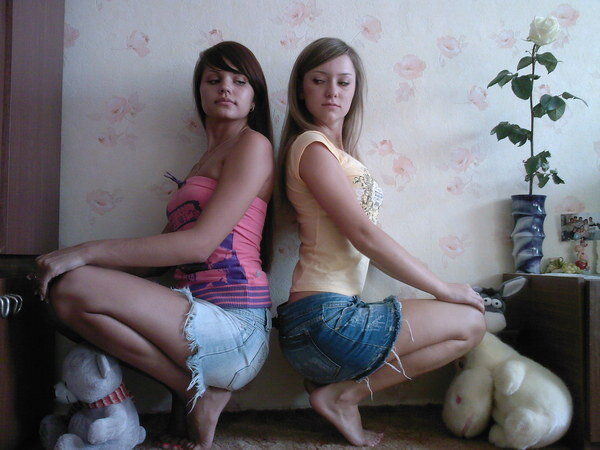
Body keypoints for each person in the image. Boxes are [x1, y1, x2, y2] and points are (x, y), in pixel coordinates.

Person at [33, 41, 274, 450]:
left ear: (255, 99)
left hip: (237, 328)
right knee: (65, 293)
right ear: (200, 93)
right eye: (214, 79)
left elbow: (198, 246)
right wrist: (71, 260)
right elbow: (157, 259)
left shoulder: (253, 145)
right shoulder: (202, 162)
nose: (226, 87)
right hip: (198, 318)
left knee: (74, 285)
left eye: (239, 81)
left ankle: (196, 392)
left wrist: (84, 252)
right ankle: (194, 391)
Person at [276, 37, 486, 447]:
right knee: (471, 324)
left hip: (322, 322)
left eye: (343, 82)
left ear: (355, 90)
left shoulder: (336, 153)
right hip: (324, 322)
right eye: (319, 80)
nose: (332, 91)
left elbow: (362, 238)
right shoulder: (313, 148)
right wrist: (444, 289)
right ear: (301, 89)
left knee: (465, 320)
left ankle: (335, 390)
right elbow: (364, 235)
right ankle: (345, 397)